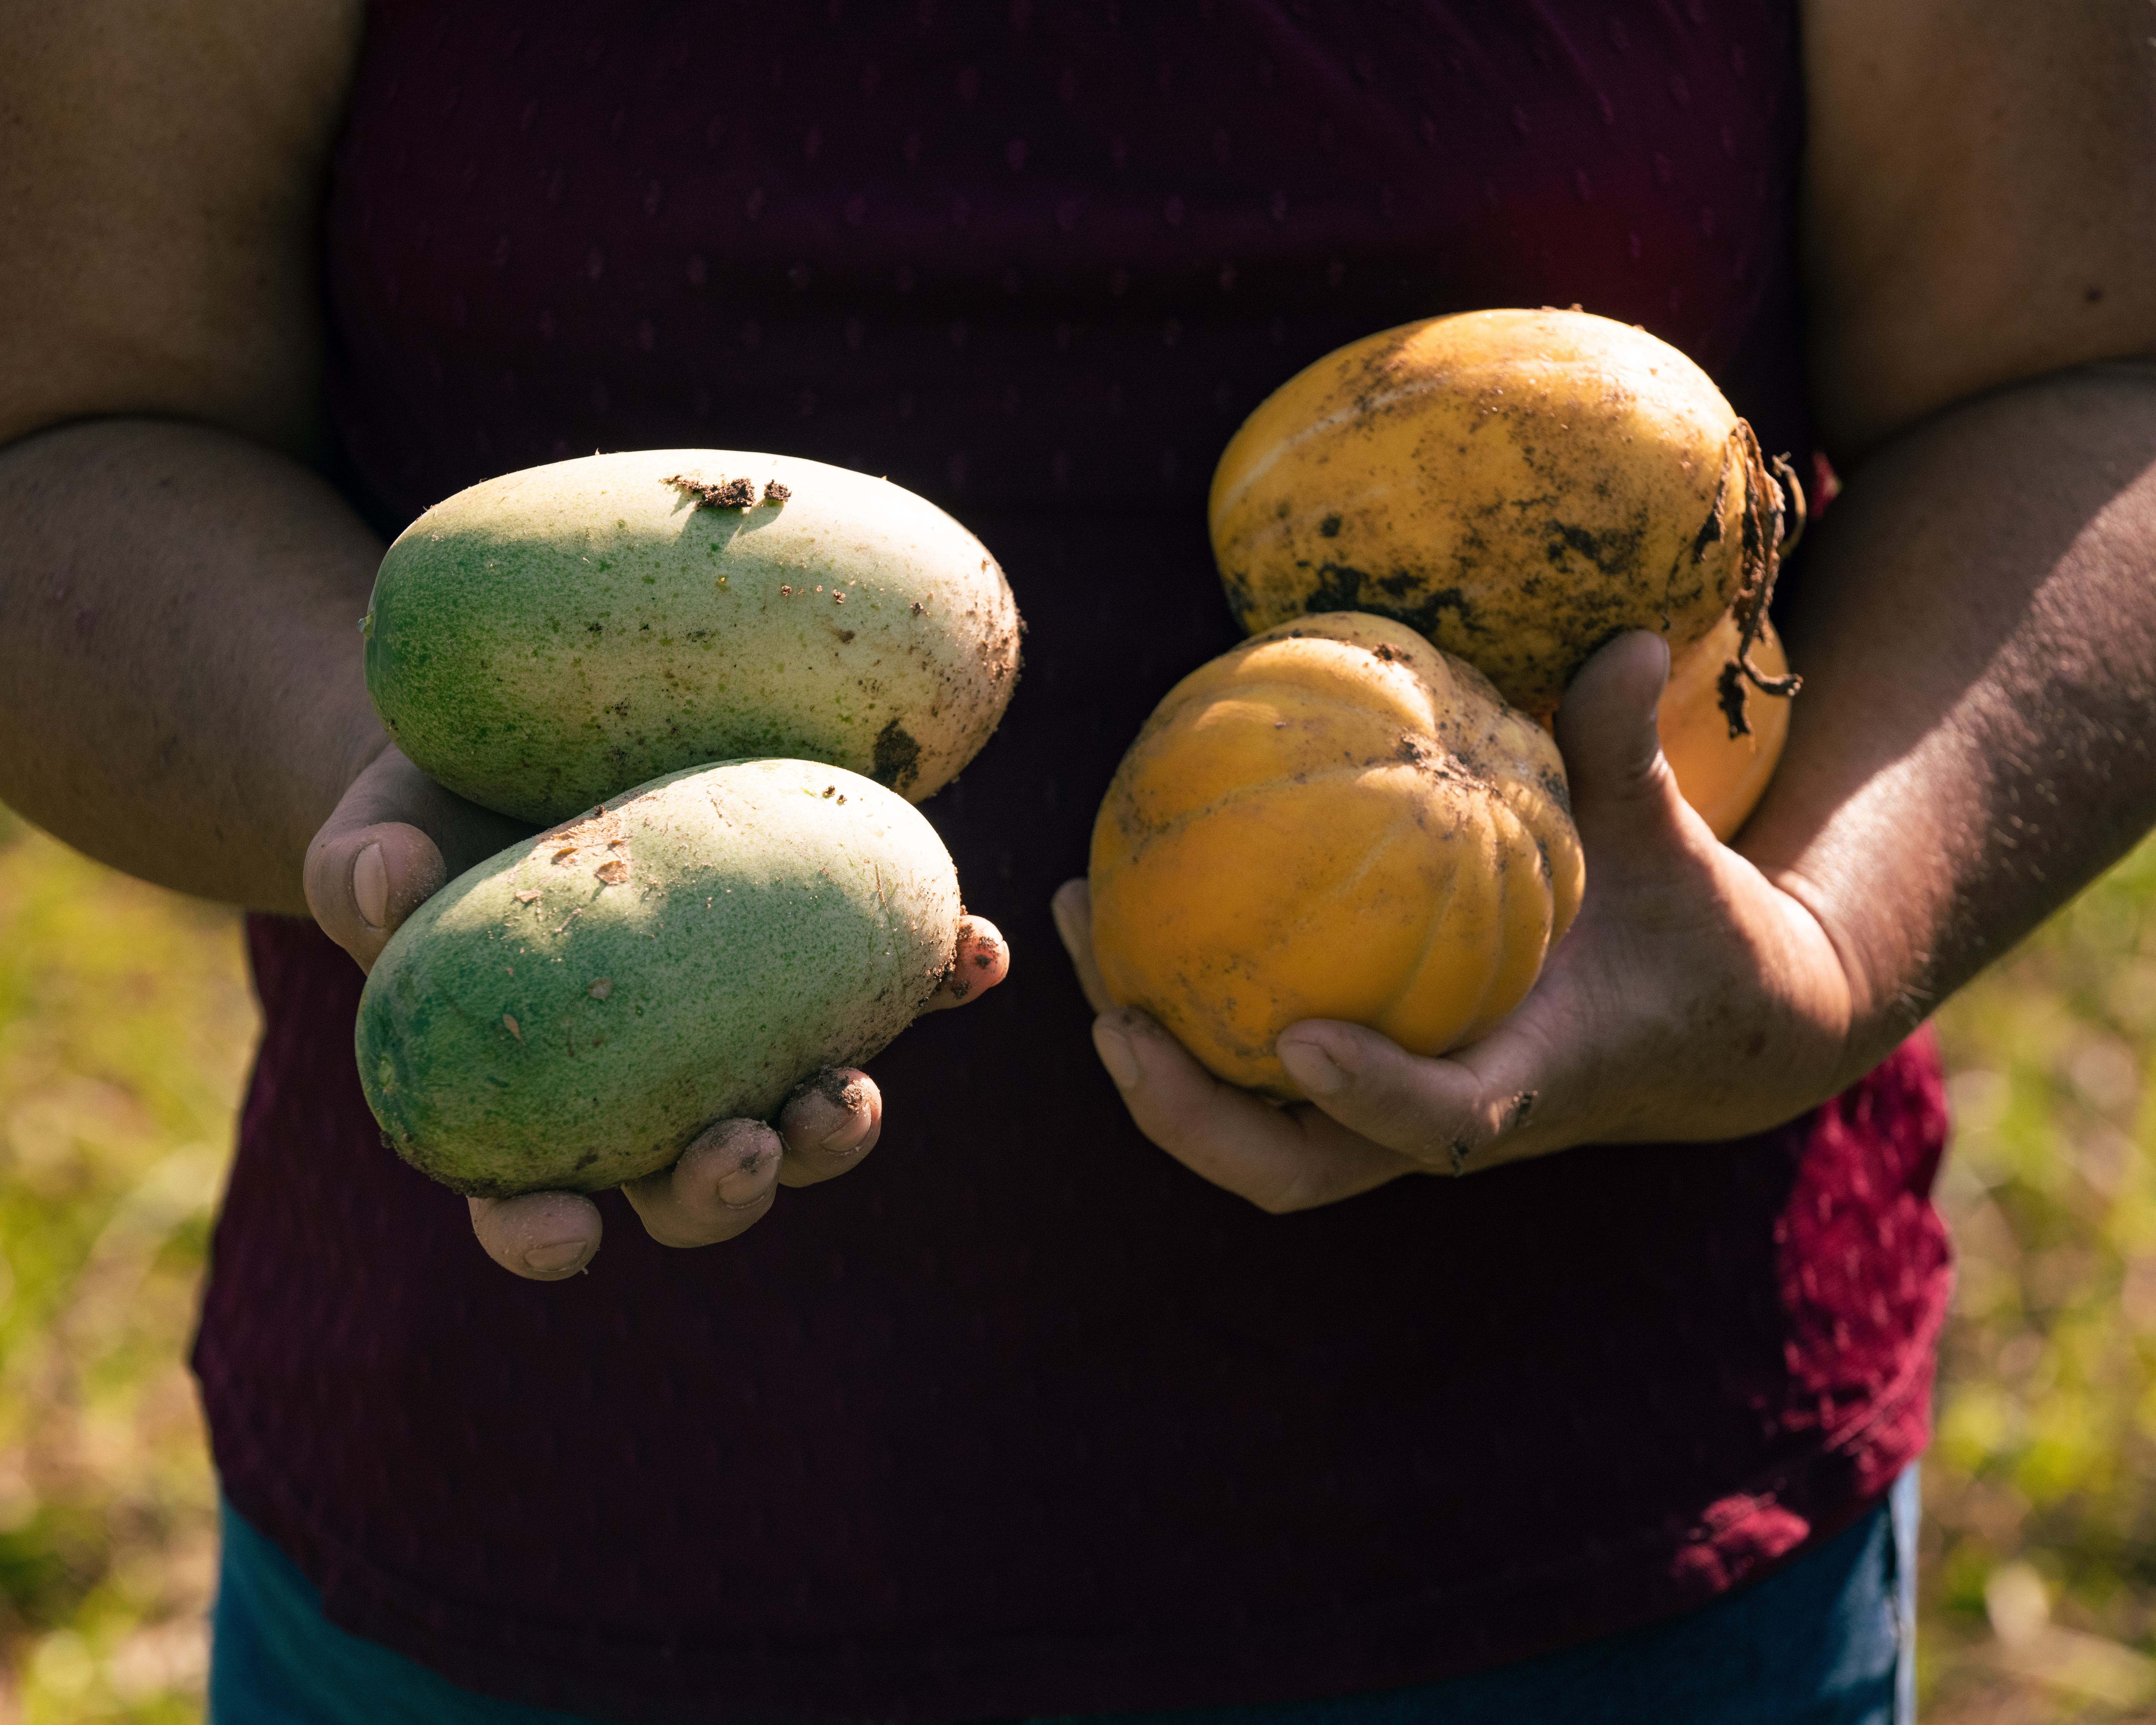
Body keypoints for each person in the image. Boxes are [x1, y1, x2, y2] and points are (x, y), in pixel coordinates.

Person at [4, 1, 2153, 1720]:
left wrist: (1812, 952)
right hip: (522, 1547)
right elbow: (60, 436)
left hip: (1581, 1553)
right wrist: (374, 764)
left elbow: (2090, 380)